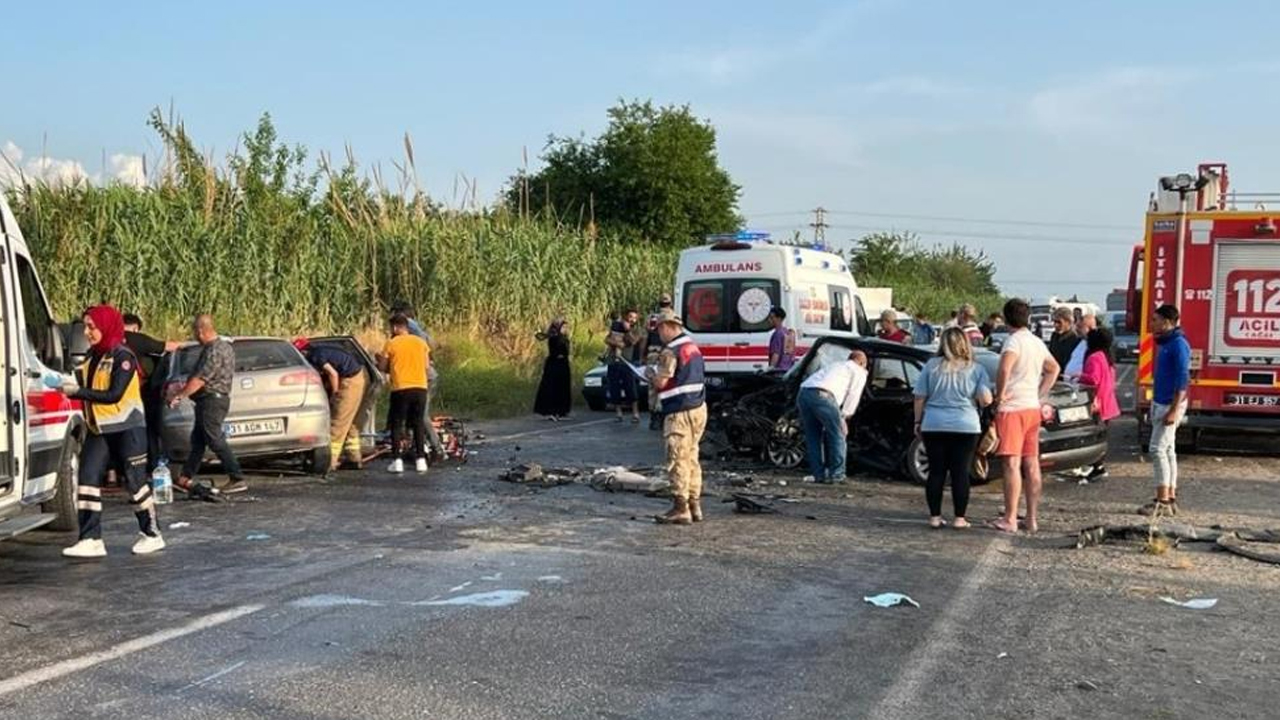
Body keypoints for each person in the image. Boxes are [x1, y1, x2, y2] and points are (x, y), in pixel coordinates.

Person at [58, 305, 165, 558]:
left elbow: (114, 395)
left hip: (128, 429)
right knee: (87, 478)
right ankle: (90, 538)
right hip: (100, 429)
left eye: (91, 327)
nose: (87, 332)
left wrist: (77, 393)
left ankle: (152, 533)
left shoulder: (123, 357)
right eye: (85, 327)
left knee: (135, 482)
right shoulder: (92, 356)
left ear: (106, 327)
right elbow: (81, 381)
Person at [990, 298, 1060, 534]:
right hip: (1032, 407)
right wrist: (1039, 393)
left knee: (1011, 463)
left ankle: (1010, 518)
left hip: (1013, 409)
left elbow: (1004, 368)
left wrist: (999, 395)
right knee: (1031, 463)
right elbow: (1054, 368)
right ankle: (1031, 517)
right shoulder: (1036, 342)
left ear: (1006, 317)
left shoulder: (1013, 342)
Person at [914, 327, 993, 529]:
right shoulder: (975, 368)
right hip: (966, 425)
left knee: (936, 472)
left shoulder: (931, 366)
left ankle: (934, 516)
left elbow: (920, 396)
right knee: (960, 472)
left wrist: (917, 421)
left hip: (934, 424)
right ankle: (960, 518)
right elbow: (985, 400)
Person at [169, 314, 248, 499]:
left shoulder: (214, 350)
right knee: (198, 441)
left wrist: (179, 395)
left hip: (212, 400)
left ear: (201, 331)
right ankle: (184, 477)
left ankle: (237, 477)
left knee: (214, 438)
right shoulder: (224, 347)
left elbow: (201, 378)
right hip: (210, 399)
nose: (195, 337)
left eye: (195, 333)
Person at [649, 309, 708, 525]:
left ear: (666, 327)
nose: (659, 334)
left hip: (679, 411)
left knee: (676, 459)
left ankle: (680, 507)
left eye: (659, 330)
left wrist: (649, 374)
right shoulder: (692, 347)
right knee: (692, 456)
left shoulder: (670, 351)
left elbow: (661, 382)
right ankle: (695, 504)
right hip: (698, 407)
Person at [1143, 304, 1190, 515]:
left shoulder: (1178, 345)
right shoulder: (1167, 343)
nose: (1152, 324)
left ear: (1167, 322)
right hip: (1162, 402)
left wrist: (1173, 409)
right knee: (1169, 449)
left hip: (1169, 404)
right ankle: (1169, 496)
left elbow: (1182, 379)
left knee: (1157, 449)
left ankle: (1162, 501)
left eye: (1155, 319)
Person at [294, 338, 367, 472]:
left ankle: (329, 462)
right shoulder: (321, 350)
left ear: (303, 351)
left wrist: (335, 394)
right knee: (348, 422)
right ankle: (354, 458)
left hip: (349, 381)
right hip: (357, 377)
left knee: (337, 423)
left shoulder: (315, 355)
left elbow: (333, 374)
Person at [797, 350, 869, 484]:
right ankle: (837, 475)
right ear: (862, 362)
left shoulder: (836, 365)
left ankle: (818, 474)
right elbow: (854, 395)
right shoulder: (858, 371)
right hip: (823, 396)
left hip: (804, 393)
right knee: (838, 434)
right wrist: (845, 417)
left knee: (813, 437)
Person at [122, 313, 180, 473]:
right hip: (140, 393)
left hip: (114, 394)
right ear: (135, 327)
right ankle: (153, 464)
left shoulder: (110, 340)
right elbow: (168, 347)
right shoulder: (137, 339)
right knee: (150, 430)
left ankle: (115, 472)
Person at [390, 301, 446, 459]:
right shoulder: (413, 327)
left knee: (421, 415)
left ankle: (437, 449)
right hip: (422, 376)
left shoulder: (409, 325)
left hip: (423, 378)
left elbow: (422, 341)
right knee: (413, 414)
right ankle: (416, 447)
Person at [378, 314, 431, 474]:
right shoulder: (421, 343)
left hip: (400, 388)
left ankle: (397, 460)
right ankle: (421, 460)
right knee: (418, 423)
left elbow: (382, 367)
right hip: (420, 387)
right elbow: (427, 366)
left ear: (395, 327)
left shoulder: (391, 343)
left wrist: (384, 363)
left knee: (397, 423)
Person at [1078, 327, 1119, 481]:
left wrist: (1078, 376)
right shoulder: (1106, 356)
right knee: (1102, 437)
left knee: (1094, 437)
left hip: (1098, 404)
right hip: (1108, 403)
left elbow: (1092, 380)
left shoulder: (1094, 357)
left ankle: (1096, 467)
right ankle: (1098, 466)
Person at [641, 294, 674, 430]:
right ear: (670, 303)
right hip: (668, 353)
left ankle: (654, 417)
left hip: (652, 353)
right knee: (665, 383)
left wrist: (642, 355)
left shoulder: (651, 318)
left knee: (652, 385)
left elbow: (644, 338)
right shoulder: (674, 316)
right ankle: (662, 414)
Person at [605, 309, 641, 424]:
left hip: (626, 362)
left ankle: (635, 413)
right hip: (613, 362)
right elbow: (607, 339)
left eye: (634, 318)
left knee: (630, 388)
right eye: (630, 316)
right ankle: (618, 413)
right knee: (614, 387)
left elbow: (633, 341)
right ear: (626, 316)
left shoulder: (636, 330)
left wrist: (628, 330)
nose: (632, 319)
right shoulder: (616, 327)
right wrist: (616, 343)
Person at [533, 318, 572, 420]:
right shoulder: (554, 337)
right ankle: (552, 411)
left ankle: (562, 412)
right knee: (553, 387)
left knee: (563, 388)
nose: (566, 329)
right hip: (555, 365)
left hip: (563, 364)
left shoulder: (563, 337)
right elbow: (555, 350)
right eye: (563, 327)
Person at [1064, 312, 1098, 379]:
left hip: (1084, 386)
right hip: (1072, 385)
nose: (1076, 329)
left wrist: (1080, 376)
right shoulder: (1081, 342)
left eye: (1080, 327)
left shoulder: (1095, 346)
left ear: (1090, 328)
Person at [767, 306, 797, 371]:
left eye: (772, 318)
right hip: (788, 369)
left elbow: (776, 354)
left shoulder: (777, 334)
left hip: (778, 370)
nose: (769, 320)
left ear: (779, 319)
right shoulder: (788, 332)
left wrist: (770, 368)